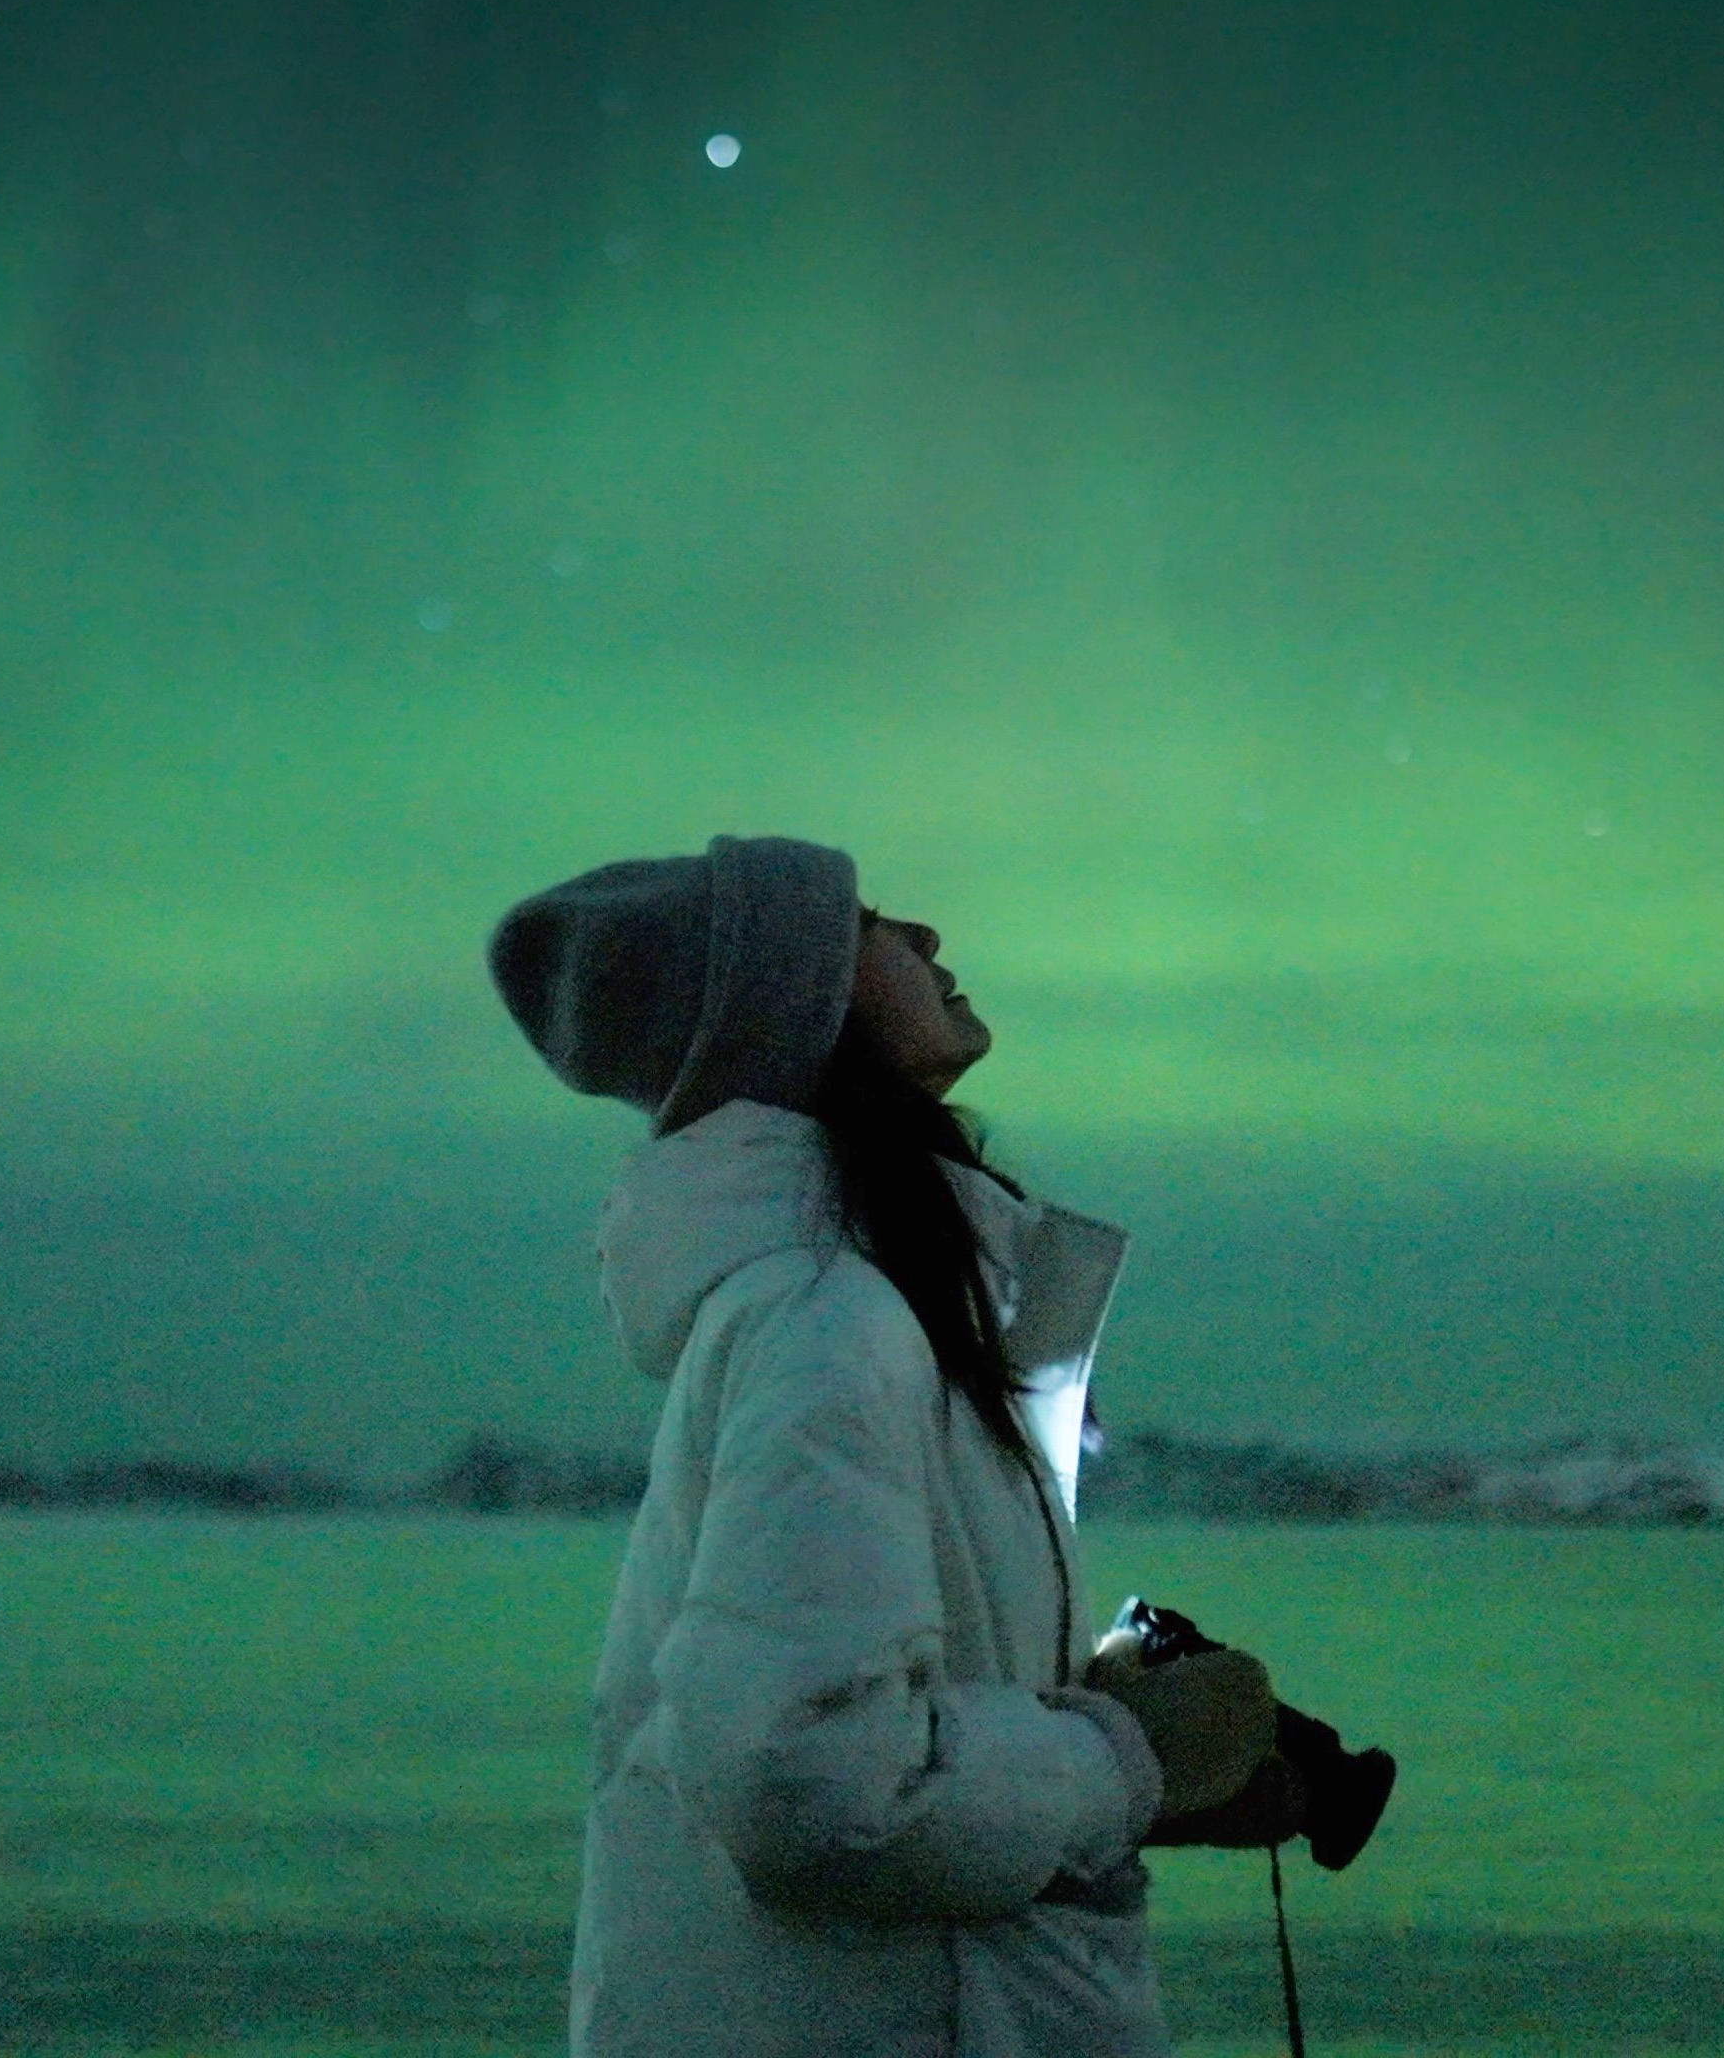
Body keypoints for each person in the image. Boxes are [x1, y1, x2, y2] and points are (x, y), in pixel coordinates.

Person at [489, 833, 1288, 2056]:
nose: (921, 937)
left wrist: (1097, 1740)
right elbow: (806, 1781)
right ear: (793, 1014)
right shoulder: (827, 1324)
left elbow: (841, 1741)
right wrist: (1125, 1761)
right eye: (865, 925)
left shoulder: (874, 1310)